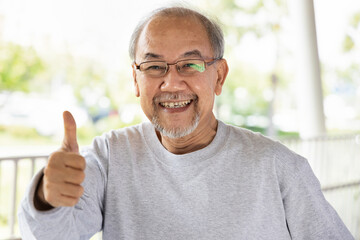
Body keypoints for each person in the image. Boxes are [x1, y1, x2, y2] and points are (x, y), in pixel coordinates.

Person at [18, 5, 354, 240]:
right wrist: (47, 197)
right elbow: (53, 235)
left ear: (219, 76)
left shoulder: (279, 168)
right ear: (135, 81)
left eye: (190, 65)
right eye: (154, 67)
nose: (171, 83)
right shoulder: (111, 156)